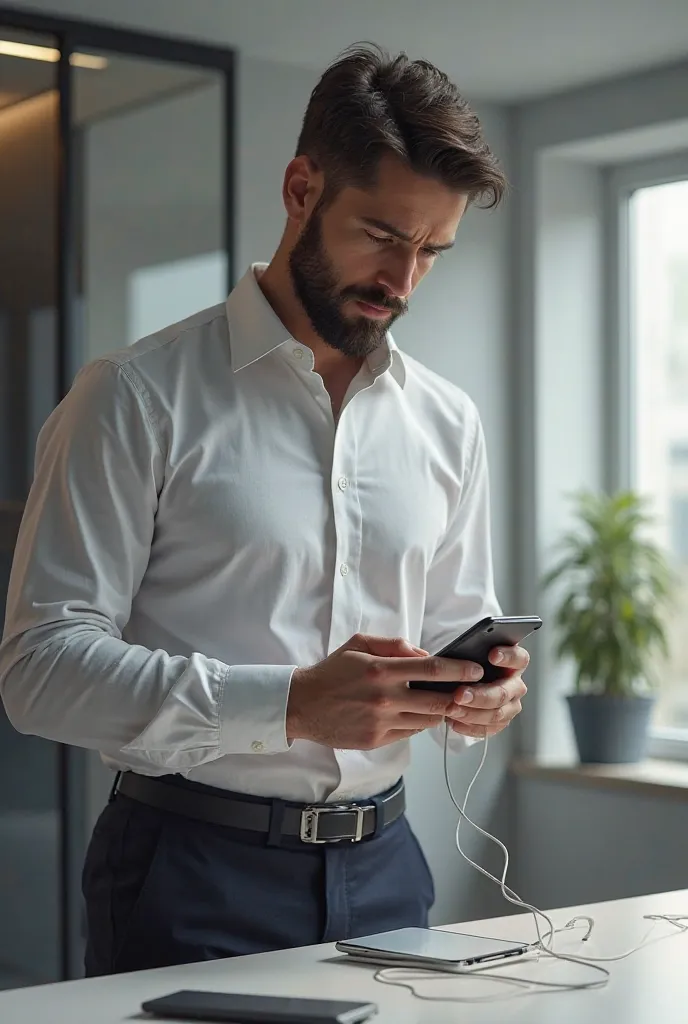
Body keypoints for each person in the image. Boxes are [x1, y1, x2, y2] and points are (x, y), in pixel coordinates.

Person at [0, 43, 528, 976]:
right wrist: (287, 703)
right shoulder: (132, 396)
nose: (402, 281)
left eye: (431, 251)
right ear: (299, 189)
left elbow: (452, 624)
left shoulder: (449, 421)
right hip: (188, 871)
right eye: (381, 234)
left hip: (390, 868)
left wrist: (482, 691)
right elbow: (40, 670)